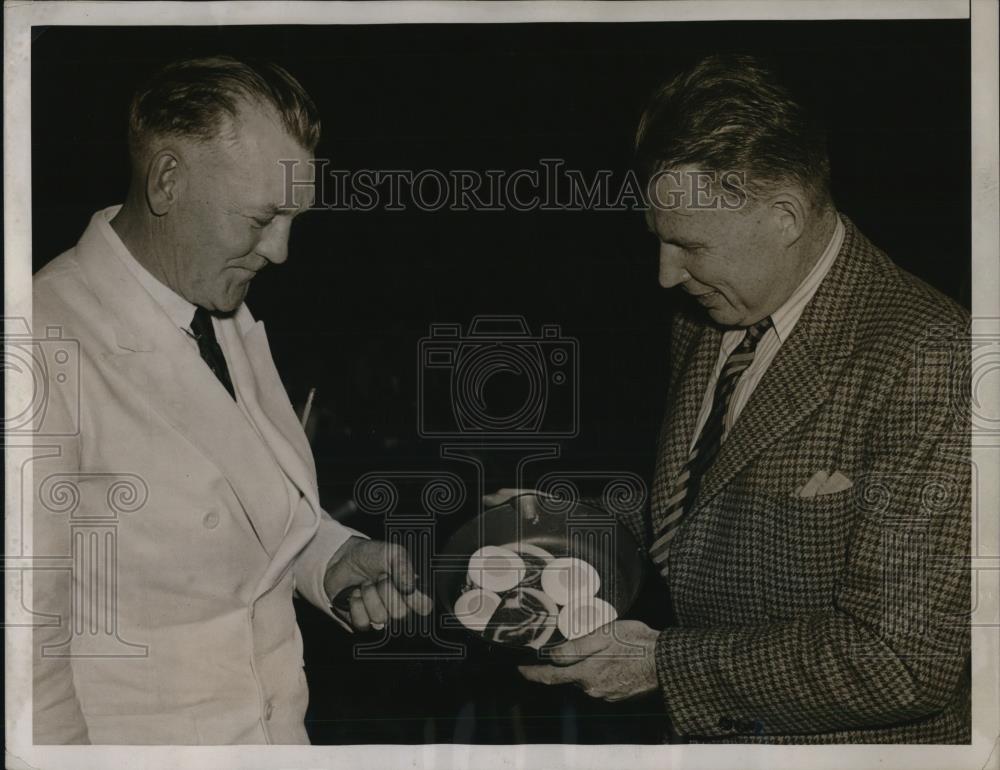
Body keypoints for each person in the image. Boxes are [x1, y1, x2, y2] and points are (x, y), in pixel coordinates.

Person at [514, 54, 971, 743]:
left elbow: (899, 661)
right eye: (659, 242)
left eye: (688, 245)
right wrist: (579, 525)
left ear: (785, 214)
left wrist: (664, 665)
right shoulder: (715, 310)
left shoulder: (929, 358)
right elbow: (711, 506)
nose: (667, 275)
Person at [31, 56, 431, 745]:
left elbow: (223, 513)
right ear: (166, 181)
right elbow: (25, 668)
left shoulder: (217, 311)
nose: (280, 250)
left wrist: (327, 559)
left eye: (292, 220)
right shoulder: (39, 341)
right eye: (261, 218)